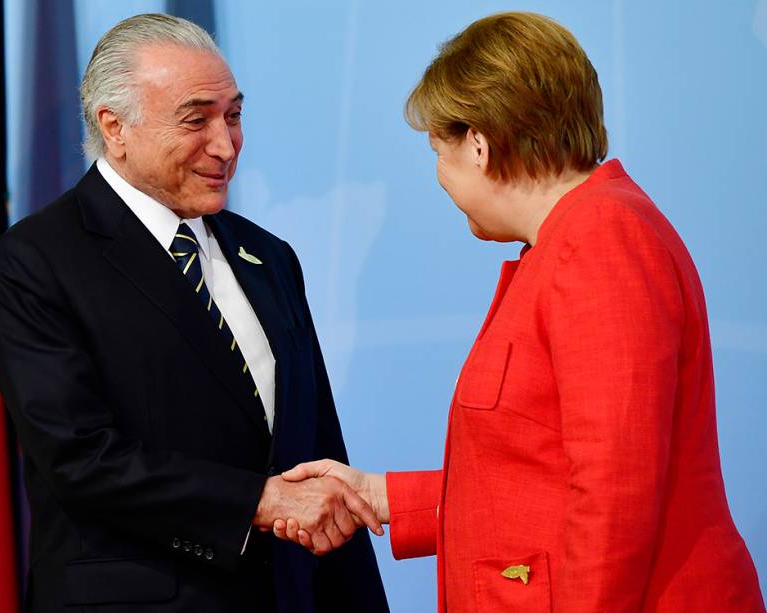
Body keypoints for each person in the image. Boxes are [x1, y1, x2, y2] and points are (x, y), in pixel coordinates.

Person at [277, 11, 765, 612]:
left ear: (479, 144)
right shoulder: (568, 242)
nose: (438, 177)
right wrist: (380, 497)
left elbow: (614, 498)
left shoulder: (602, 241)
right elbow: (540, 480)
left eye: (438, 149)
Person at [0, 14, 388, 613]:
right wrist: (260, 502)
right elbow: (81, 457)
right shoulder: (38, 259)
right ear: (114, 127)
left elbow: (316, 449)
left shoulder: (269, 257)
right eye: (195, 120)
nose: (225, 145)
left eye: (234, 116)